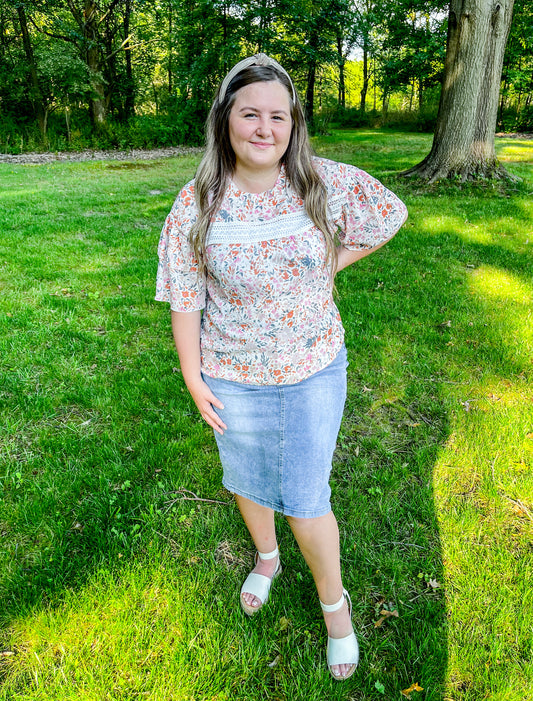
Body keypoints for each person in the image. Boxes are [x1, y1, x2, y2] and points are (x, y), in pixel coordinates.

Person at [156, 53, 407, 681]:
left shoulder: (322, 182)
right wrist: (193, 376)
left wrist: (331, 263)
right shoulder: (197, 204)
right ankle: (265, 558)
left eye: (278, 116)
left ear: (293, 126)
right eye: (250, 114)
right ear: (225, 121)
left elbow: (388, 216)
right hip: (231, 374)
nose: (264, 128)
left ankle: (336, 610)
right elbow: (186, 295)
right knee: (245, 477)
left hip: (312, 366)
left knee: (304, 498)